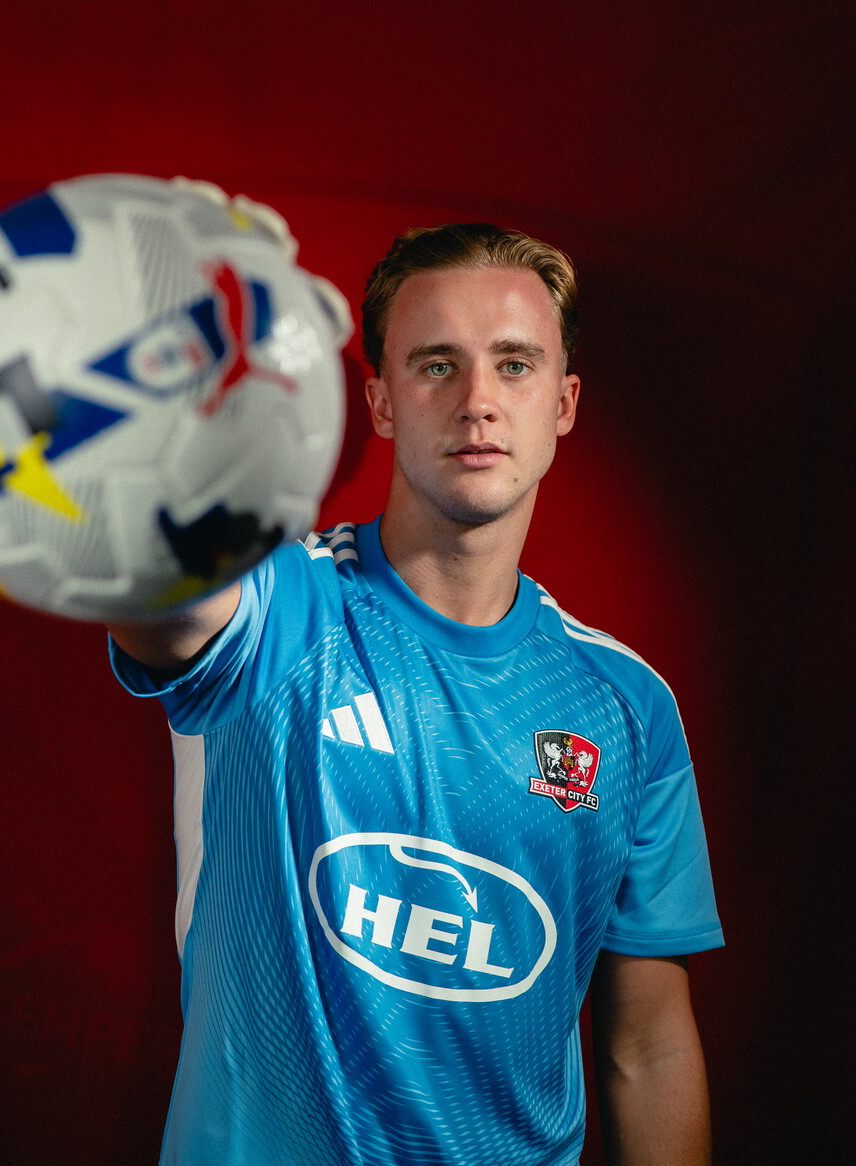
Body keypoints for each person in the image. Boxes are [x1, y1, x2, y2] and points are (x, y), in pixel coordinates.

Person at [108, 223, 723, 1166]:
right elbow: (161, 602)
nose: (478, 401)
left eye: (513, 365)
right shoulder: (281, 606)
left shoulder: (626, 704)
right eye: (437, 365)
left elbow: (647, 1044)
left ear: (562, 404)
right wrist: (152, 381)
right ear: (381, 400)